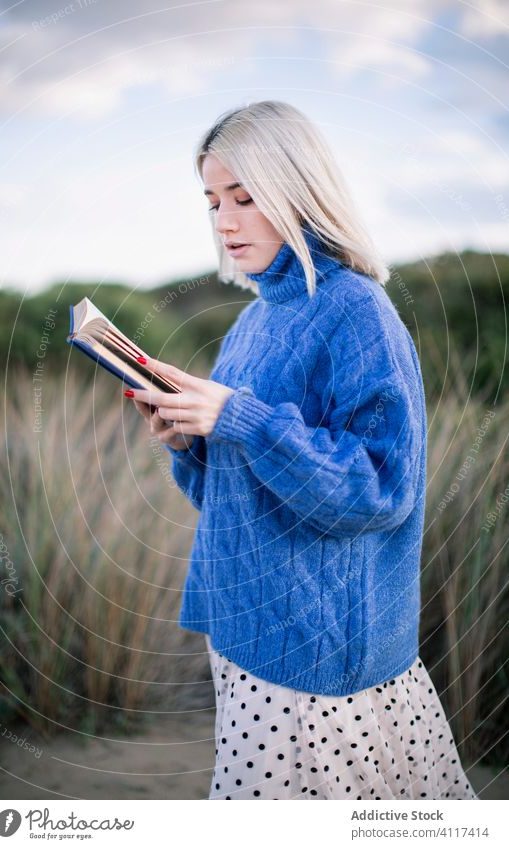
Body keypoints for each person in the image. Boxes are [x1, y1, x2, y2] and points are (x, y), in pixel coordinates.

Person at [124, 100, 478, 801]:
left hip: (314, 651)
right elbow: (232, 488)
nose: (223, 222)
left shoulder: (356, 311)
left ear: (298, 192)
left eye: (245, 198)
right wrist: (193, 443)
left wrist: (243, 419)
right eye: (212, 200)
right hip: (241, 630)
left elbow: (381, 486)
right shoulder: (254, 321)